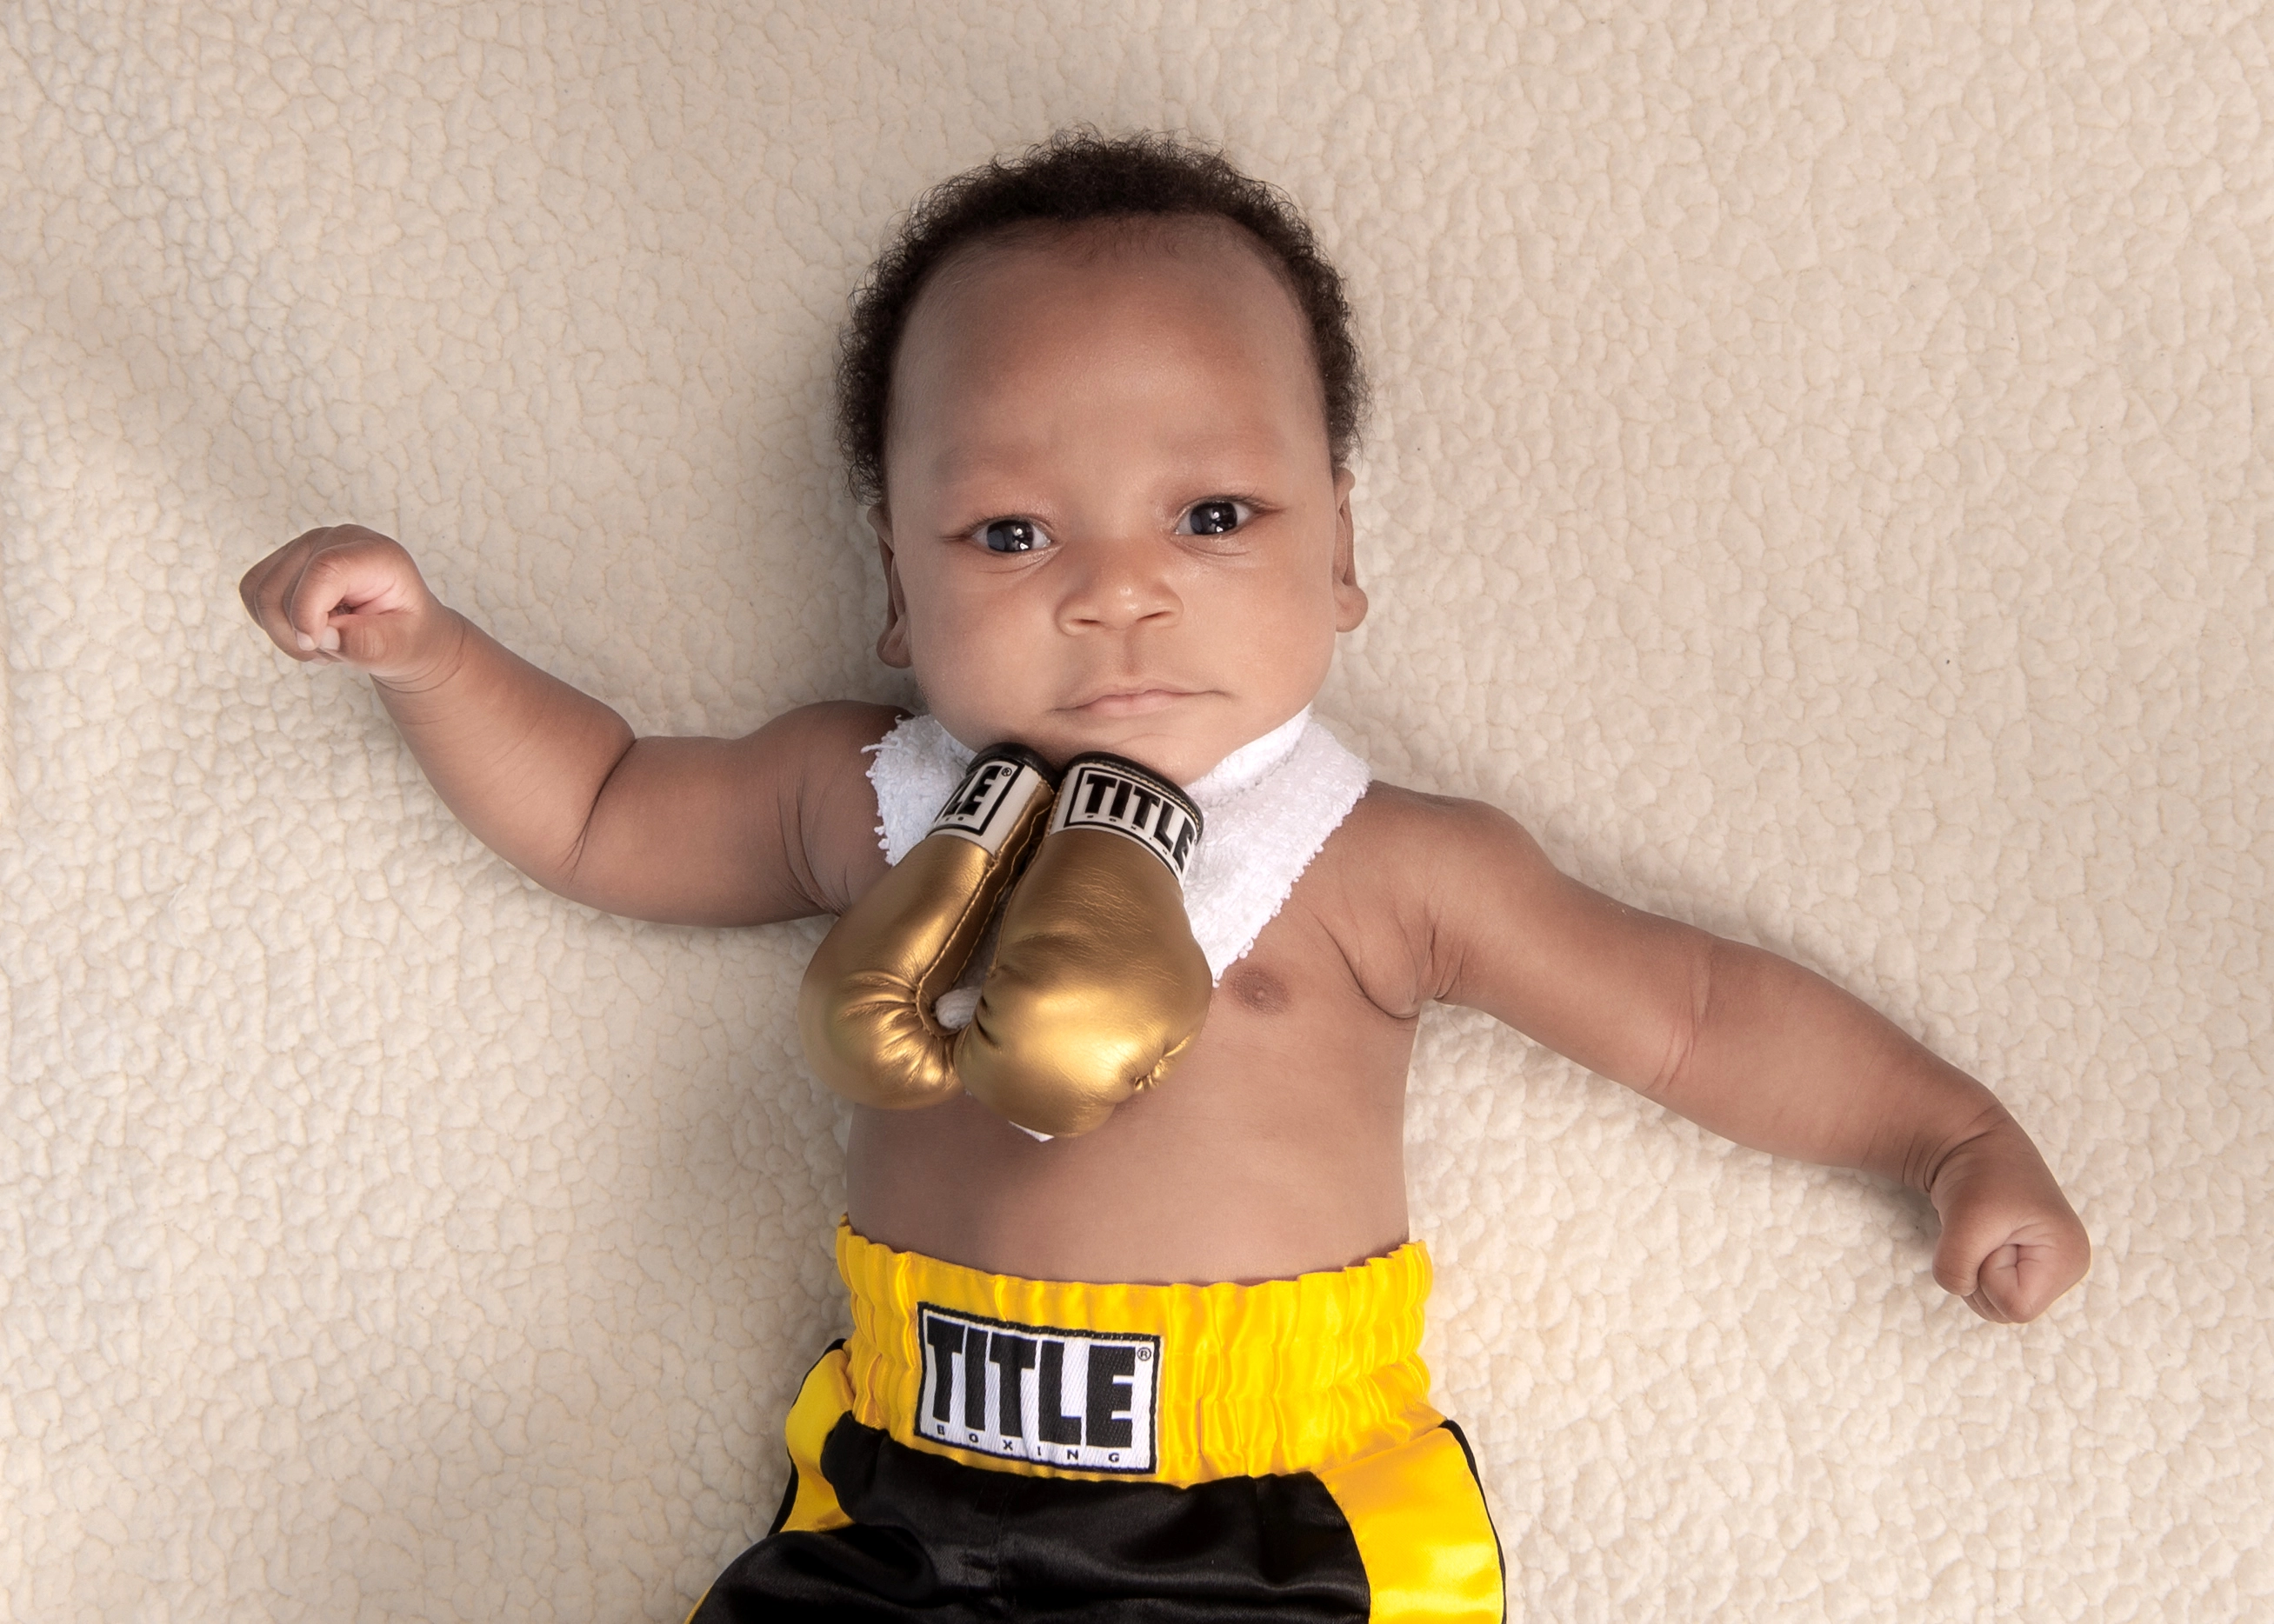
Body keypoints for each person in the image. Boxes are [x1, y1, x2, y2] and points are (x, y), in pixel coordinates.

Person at [237, 130, 2089, 1621]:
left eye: (1210, 516)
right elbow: (601, 809)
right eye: (1010, 528)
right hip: (894, 1485)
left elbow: (1686, 1012)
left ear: (1338, 552)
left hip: (1263, 1518)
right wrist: (429, 653)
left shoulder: (1381, 865)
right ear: (895, 583)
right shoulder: (871, 799)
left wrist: (1940, 1135)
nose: (1114, 587)